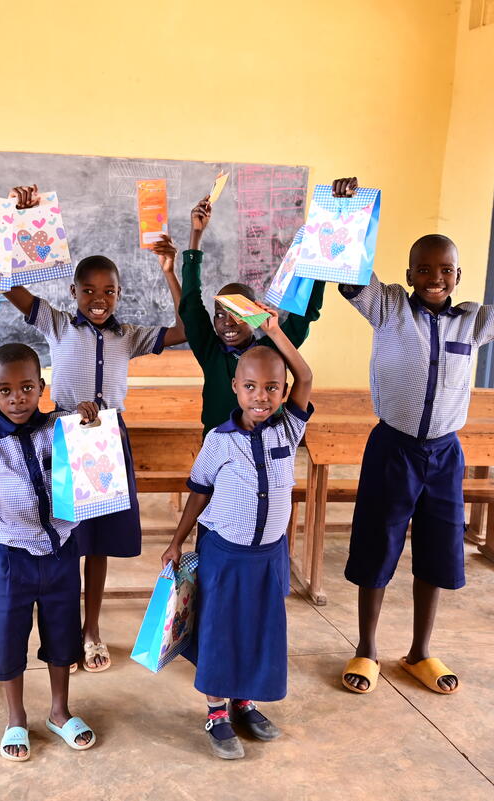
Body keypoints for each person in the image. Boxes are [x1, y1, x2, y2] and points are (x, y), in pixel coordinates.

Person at [332, 176, 494, 696]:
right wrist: (345, 210)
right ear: (409, 274)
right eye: (424, 269)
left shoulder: (476, 320)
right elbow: (347, 272)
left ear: (458, 275)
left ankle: (420, 652)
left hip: (444, 454)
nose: (434, 277)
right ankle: (367, 649)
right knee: (377, 548)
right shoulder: (389, 308)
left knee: (438, 551)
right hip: (392, 449)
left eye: (445, 270)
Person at [0, 177, 187, 672]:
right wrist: (23, 219)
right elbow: (9, 285)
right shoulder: (57, 323)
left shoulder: (132, 336)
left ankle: (91, 632)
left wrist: (170, 272)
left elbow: (189, 328)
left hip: (107, 441)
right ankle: (62, 633)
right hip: (61, 440)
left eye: (109, 291)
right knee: (65, 538)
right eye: (88, 290)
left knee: (97, 542)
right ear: (73, 291)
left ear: (120, 293)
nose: (98, 298)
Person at [161, 310, 313, 759]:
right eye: (250, 387)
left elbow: (304, 372)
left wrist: (274, 333)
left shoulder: (290, 426)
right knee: (220, 630)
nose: (261, 396)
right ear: (235, 388)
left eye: (271, 387)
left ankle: (245, 701)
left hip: (269, 554)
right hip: (224, 554)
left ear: (283, 392)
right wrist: (176, 540)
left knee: (258, 630)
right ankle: (216, 711)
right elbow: (199, 493)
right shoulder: (219, 440)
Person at [0, 343, 98, 761]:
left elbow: (92, 441)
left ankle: (59, 711)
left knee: (63, 636)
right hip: (9, 560)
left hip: (61, 553)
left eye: (27, 388)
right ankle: (15, 718)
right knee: (8, 640)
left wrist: (89, 415)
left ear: (41, 388)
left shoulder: (61, 430)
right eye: (6, 390)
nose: (18, 398)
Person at [160, 193, 325, 435]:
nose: (227, 322)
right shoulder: (210, 352)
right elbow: (192, 303)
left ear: (254, 314)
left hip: (265, 448)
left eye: (237, 313)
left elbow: (305, 314)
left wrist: (318, 258)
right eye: (219, 315)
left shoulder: (273, 349)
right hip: (217, 452)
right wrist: (196, 234)